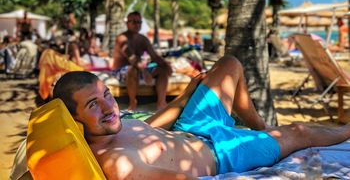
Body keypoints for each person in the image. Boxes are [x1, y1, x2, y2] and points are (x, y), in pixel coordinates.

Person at [52, 56, 350, 179]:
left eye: (106, 94)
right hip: (222, 153)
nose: (108, 107)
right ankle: (347, 130)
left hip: (194, 127)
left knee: (230, 64)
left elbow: (148, 126)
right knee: (298, 130)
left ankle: (261, 126)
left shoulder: (115, 125)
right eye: (93, 104)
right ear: (73, 119)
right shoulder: (118, 163)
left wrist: (185, 97)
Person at [112, 11, 172, 110]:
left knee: (162, 69)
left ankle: (161, 103)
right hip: (121, 70)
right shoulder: (122, 39)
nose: (137, 24)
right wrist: (144, 71)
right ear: (127, 23)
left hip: (138, 68)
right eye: (134, 22)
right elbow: (131, 58)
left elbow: (154, 56)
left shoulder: (143, 39)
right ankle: (132, 103)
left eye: (139, 22)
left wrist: (165, 65)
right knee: (132, 69)